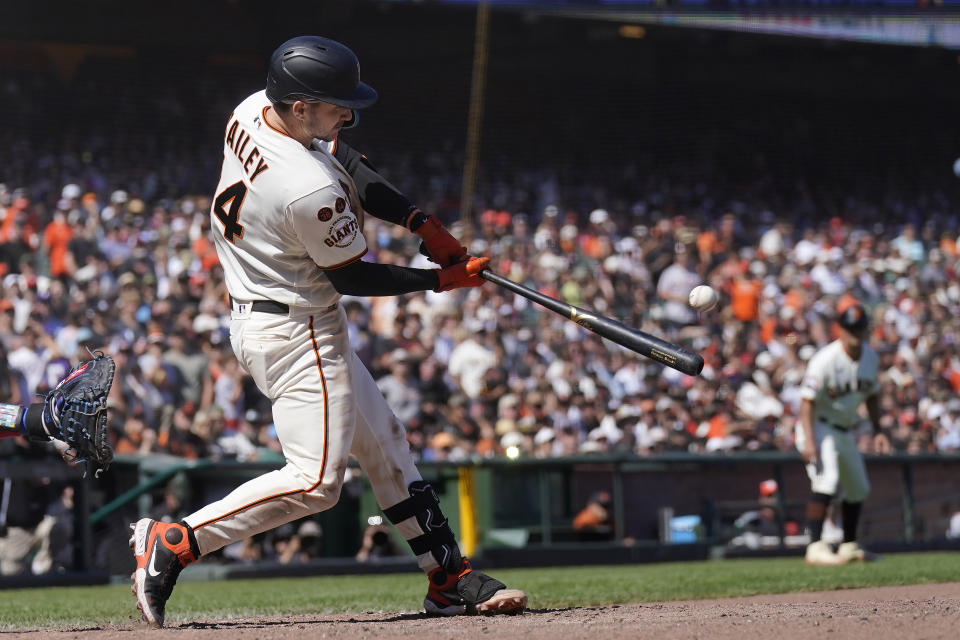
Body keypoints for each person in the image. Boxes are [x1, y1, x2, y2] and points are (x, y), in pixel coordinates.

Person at [129, 35, 526, 627]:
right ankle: (177, 540)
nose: (349, 112)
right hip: (298, 328)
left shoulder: (251, 109)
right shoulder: (306, 187)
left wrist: (420, 220)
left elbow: (348, 161)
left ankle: (448, 578)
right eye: (336, 103)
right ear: (298, 106)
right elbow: (352, 278)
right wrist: (438, 282)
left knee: (385, 443)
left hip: (270, 309)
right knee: (317, 482)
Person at [796, 302, 890, 565]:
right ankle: (815, 546)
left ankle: (848, 546)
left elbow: (871, 396)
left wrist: (878, 430)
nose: (855, 332)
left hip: (844, 428)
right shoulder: (825, 359)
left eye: (859, 327)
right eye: (850, 327)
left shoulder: (870, 357)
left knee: (858, 487)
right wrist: (810, 441)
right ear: (840, 329)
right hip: (818, 424)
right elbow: (806, 403)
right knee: (827, 480)